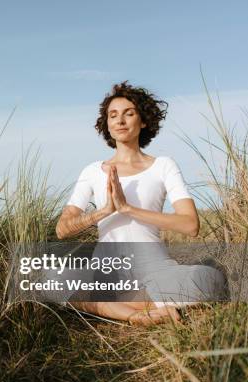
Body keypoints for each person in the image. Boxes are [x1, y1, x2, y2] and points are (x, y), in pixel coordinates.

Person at [55, 81, 227, 326]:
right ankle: (138, 315)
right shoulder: (92, 171)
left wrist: (128, 208)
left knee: (210, 279)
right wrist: (104, 211)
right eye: (113, 115)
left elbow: (190, 225)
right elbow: (62, 229)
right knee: (51, 278)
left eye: (129, 113)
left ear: (143, 121)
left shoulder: (163, 166)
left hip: (155, 268)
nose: (120, 120)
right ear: (107, 124)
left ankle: (114, 306)